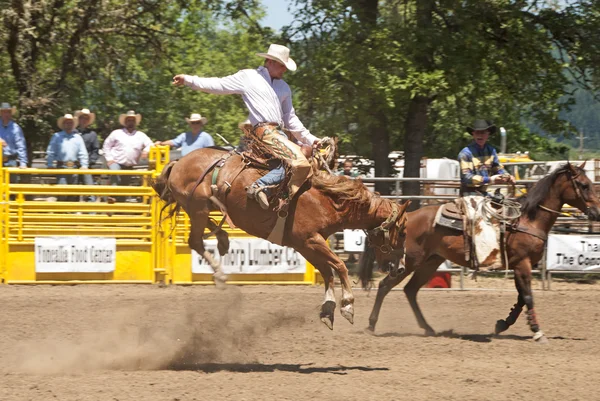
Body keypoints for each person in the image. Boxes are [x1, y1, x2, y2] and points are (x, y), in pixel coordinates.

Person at [172, 43, 322, 210]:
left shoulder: (284, 87)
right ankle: (260, 186)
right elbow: (218, 85)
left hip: (279, 134)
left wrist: (311, 139)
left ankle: (280, 201)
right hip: (263, 132)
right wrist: (188, 79)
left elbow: (290, 118)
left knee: (305, 157)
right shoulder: (249, 77)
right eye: (281, 65)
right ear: (270, 61)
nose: (284, 70)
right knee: (297, 162)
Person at [458, 119, 516, 196]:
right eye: (477, 132)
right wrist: (490, 179)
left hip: (485, 193)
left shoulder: (491, 151)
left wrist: (507, 176)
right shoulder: (465, 154)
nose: (480, 135)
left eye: (483, 132)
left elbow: (497, 168)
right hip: (469, 194)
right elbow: (466, 177)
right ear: (473, 134)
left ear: (488, 134)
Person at [102, 110, 153, 194]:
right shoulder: (116, 133)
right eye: (129, 120)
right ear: (125, 122)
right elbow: (106, 146)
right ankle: (112, 195)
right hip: (116, 162)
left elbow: (150, 144)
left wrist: (146, 150)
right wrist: (109, 159)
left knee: (125, 187)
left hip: (129, 166)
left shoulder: (140, 135)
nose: (131, 122)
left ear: (135, 122)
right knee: (115, 174)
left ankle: (121, 203)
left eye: (132, 120)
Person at [46, 114, 89, 201]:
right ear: (63, 125)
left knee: (73, 192)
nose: (69, 124)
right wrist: (50, 164)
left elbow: (83, 152)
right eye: (67, 123)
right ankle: (61, 212)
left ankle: (71, 212)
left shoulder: (77, 137)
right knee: (62, 191)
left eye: (70, 123)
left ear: (73, 125)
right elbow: (51, 151)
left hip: (74, 167)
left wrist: (84, 165)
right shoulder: (57, 136)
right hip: (62, 166)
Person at [75, 108, 99, 201]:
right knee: (72, 190)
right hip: (73, 166)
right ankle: (72, 212)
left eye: (86, 118)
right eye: (82, 118)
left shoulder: (92, 134)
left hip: (87, 166)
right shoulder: (73, 132)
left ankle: (91, 213)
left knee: (89, 189)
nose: (84, 120)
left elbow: (95, 150)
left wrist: (89, 162)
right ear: (79, 119)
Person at [0, 103, 28, 182]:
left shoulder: (16, 128)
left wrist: (23, 162)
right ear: (1, 113)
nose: (6, 114)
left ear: (11, 114)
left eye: (8, 112)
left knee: (12, 187)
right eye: (4, 112)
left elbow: (21, 145)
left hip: (11, 160)